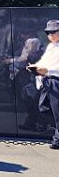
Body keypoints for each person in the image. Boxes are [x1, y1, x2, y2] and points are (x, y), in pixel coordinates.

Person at [28, 20, 59, 149]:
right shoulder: (51, 46)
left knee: (57, 112)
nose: (50, 35)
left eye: (53, 32)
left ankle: (57, 139)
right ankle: (57, 133)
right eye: (48, 32)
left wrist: (48, 71)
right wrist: (36, 67)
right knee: (44, 107)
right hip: (47, 80)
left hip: (56, 80)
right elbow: (44, 61)